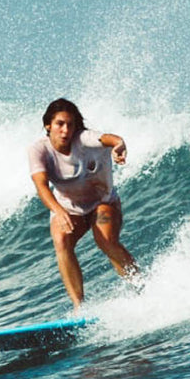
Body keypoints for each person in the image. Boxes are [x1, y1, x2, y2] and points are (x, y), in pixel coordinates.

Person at [28, 98, 138, 307]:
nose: (65, 130)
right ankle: (80, 307)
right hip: (68, 208)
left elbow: (110, 139)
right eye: (60, 124)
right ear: (48, 126)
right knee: (61, 241)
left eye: (70, 124)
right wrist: (58, 211)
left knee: (105, 239)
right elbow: (41, 185)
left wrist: (119, 145)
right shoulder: (38, 150)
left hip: (102, 203)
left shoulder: (84, 138)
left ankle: (140, 288)